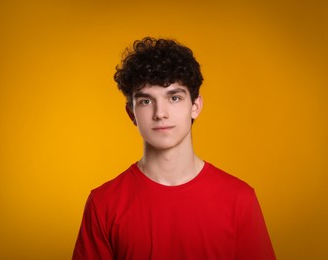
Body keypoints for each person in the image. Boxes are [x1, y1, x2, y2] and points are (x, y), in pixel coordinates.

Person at [72, 37, 276, 259]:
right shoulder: (103, 204)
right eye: (146, 101)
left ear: (195, 106)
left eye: (175, 97)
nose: (161, 113)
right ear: (131, 113)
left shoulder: (240, 200)